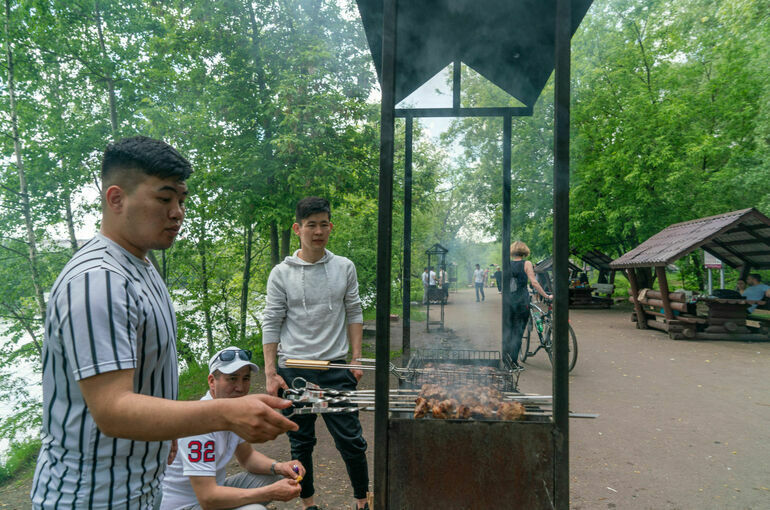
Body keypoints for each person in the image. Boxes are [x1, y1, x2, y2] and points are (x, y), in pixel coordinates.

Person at [31, 136, 297, 509]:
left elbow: (141, 379)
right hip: (91, 496)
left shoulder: (141, 266)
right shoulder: (98, 281)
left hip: (141, 491)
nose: (178, 212)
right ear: (116, 198)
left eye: (181, 201)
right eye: (164, 198)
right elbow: (111, 410)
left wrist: (166, 431)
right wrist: (226, 413)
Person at [262, 197, 369, 510]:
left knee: (351, 440)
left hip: (336, 367)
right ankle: (308, 503)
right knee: (301, 442)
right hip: (294, 370)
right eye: (311, 225)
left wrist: (357, 357)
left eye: (324, 224)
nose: (318, 231)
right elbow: (272, 321)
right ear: (298, 229)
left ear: (331, 227)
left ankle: (362, 501)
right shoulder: (281, 273)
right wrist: (270, 372)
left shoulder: (344, 267)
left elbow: (354, 311)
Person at [158, 347, 305, 510]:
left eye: (245, 378)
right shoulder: (199, 426)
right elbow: (208, 499)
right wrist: (270, 493)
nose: (240, 387)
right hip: (187, 505)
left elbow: (247, 457)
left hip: (214, 492)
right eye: (232, 379)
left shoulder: (235, 413)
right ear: (212, 381)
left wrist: (280, 467)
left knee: (279, 476)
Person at [505, 241, 552, 365]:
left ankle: (506, 359)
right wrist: (546, 295)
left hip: (508, 301)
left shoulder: (507, 263)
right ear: (524, 251)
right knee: (519, 331)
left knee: (508, 330)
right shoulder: (527, 263)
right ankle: (513, 362)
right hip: (521, 301)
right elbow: (534, 283)